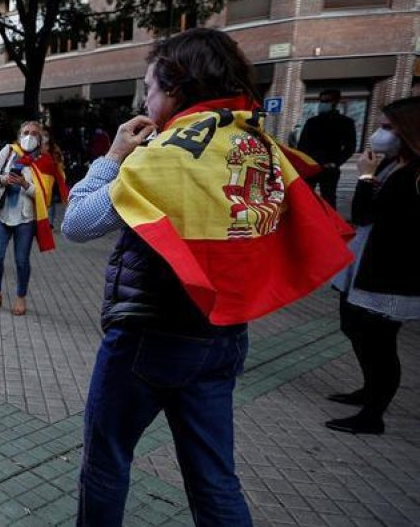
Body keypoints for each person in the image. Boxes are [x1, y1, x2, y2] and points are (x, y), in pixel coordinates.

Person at [61, 28, 351, 526]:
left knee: (107, 458)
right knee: (214, 478)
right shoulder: (254, 144)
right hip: (224, 334)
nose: (144, 100)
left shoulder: (170, 156)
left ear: (174, 88)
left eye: (148, 88)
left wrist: (112, 158)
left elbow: (78, 223)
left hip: (150, 337)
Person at [326, 97, 420, 435]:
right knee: (354, 327)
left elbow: (367, 213)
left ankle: (373, 414)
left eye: (387, 128)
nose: (379, 135)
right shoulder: (393, 164)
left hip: (389, 272)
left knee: (379, 342)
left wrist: (364, 179)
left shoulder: (413, 174)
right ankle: (369, 390)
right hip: (365, 262)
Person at [0, 121, 47, 316]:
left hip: (26, 220)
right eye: (26, 132)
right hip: (1, 214)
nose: (29, 136)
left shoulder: (42, 160)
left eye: (34, 133)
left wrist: (26, 185)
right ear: (19, 135)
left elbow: (45, 196)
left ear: (39, 138)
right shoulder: (8, 151)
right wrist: (3, 179)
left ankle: (20, 297)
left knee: (21, 261)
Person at [298, 88, 357, 208]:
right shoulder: (312, 122)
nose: (323, 104)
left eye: (327, 101)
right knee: (305, 197)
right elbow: (302, 145)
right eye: (321, 101)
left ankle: (330, 223)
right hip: (311, 166)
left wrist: (336, 162)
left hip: (330, 167)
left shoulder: (345, 122)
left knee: (328, 198)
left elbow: (350, 147)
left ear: (336, 102)